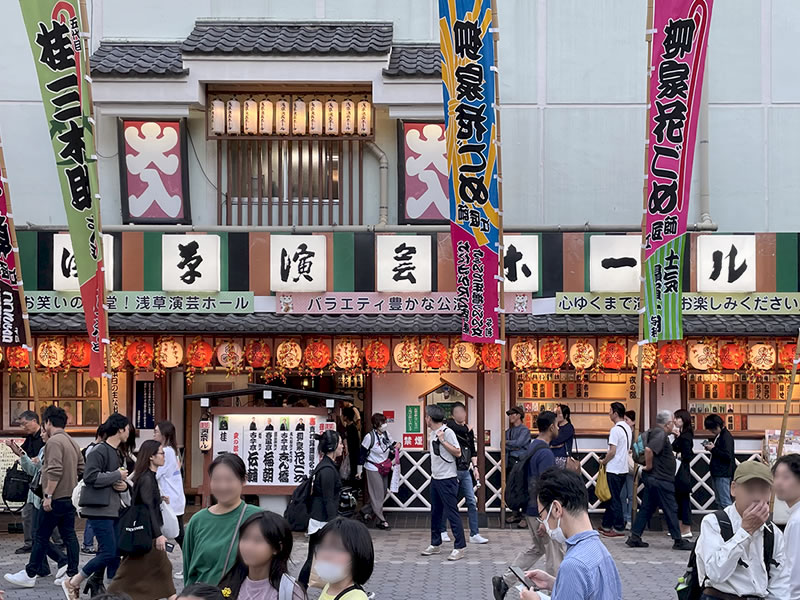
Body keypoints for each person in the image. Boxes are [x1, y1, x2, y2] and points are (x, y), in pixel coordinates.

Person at [4, 407, 83, 589]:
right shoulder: (71, 442)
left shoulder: (54, 442)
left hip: (55, 497)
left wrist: (48, 495)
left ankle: (31, 573)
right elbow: (81, 468)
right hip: (69, 497)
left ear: (47, 422)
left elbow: (53, 470)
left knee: (40, 535)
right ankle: (71, 572)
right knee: (69, 536)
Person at [519, 468, 623, 600]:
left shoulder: (573, 565)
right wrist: (555, 583)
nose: (544, 522)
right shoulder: (600, 550)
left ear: (556, 509)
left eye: (542, 516)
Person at [492, 411, 565, 600]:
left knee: (538, 548)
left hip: (530, 509)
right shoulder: (546, 453)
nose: (558, 428)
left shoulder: (533, 446)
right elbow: (543, 486)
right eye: (557, 425)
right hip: (542, 512)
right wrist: (546, 519)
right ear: (550, 427)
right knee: (554, 553)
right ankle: (554, 593)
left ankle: (505, 581)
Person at [695, 461, 790, 599]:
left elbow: (780, 584)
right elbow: (715, 574)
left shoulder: (773, 532)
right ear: (733, 489)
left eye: (763, 491)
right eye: (750, 490)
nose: (757, 497)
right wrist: (745, 532)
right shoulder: (714, 522)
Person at [65, 414, 131, 598]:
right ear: (120, 429)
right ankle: (74, 581)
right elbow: (90, 477)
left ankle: (113, 589)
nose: (129, 431)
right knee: (109, 552)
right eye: (127, 428)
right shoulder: (100, 450)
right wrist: (117, 475)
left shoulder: (115, 451)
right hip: (98, 509)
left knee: (114, 550)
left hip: (111, 509)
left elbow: (113, 479)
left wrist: (122, 483)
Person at [107, 440, 176, 600]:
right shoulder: (146, 478)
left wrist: (159, 498)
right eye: (161, 453)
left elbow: (148, 503)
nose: (164, 456)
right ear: (151, 457)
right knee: (129, 573)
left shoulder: (148, 476)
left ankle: (170, 596)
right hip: (146, 533)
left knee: (162, 569)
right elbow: (147, 508)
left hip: (146, 533)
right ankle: (109, 595)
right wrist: (158, 535)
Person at [183, 453, 262, 586]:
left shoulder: (258, 518)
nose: (223, 486)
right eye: (217, 480)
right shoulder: (197, 521)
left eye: (229, 480)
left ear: (244, 480)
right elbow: (188, 569)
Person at [4, 429, 68, 585]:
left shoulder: (54, 449)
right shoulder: (42, 449)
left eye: (44, 431)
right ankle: (42, 568)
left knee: (39, 535)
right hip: (35, 497)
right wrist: (21, 455)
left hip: (46, 498)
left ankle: (61, 561)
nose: (41, 435)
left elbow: (49, 473)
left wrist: (37, 465)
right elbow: (33, 472)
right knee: (38, 534)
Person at [625, 410, 693, 551]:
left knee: (646, 509)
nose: (673, 424)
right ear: (667, 423)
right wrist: (649, 467)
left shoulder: (658, 433)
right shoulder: (660, 434)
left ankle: (635, 537)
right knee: (671, 509)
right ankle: (678, 540)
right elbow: (649, 450)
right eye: (672, 422)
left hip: (655, 479)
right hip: (660, 479)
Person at [218, 511, 305, 600]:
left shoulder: (290, 592)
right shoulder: (228, 584)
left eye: (258, 540)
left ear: (277, 548)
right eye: (245, 538)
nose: (248, 547)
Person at [421, 404, 466, 561]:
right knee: (436, 512)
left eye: (426, 416)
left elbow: (458, 451)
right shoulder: (433, 433)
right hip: (436, 477)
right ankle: (435, 543)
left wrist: (442, 441)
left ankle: (459, 546)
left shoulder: (447, 432)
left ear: (431, 418)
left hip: (448, 478)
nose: (425, 419)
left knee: (452, 512)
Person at [439, 402, 488, 544]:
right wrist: (467, 427)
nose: (461, 414)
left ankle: (474, 533)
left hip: (465, 470)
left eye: (463, 412)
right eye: (457, 412)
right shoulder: (448, 428)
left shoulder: (468, 430)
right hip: (451, 470)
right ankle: (442, 530)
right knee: (448, 501)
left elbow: (472, 449)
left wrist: (476, 467)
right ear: (453, 415)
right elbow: (454, 427)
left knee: (472, 501)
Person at [299, 430, 343, 588]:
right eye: (341, 443)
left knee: (315, 559)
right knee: (315, 560)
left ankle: (298, 591)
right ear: (333, 446)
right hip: (322, 522)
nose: (343, 446)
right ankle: (298, 590)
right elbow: (328, 500)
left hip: (321, 520)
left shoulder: (326, 466)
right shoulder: (327, 470)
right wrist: (335, 524)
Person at [315, 518, 373, 600]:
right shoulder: (329, 586)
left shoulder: (355, 598)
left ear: (357, 554)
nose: (326, 555)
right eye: (322, 547)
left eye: (337, 549)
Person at [358, 413, 397, 530]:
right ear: (376, 424)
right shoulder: (369, 437)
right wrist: (359, 470)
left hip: (384, 466)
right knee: (378, 494)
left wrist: (397, 445)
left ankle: (365, 511)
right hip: (372, 467)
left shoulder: (385, 434)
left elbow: (391, 444)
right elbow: (362, 454)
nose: (384, 425)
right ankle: (381, 519)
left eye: (385, 422)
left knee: (383, 492)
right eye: (382, 423)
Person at [598, 402, 630, 537]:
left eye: (610, 410)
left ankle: (618, 527)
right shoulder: (627, 428)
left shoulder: (615, 430)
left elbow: (612, 451)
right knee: (613, 498)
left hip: (614, 468)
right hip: (623, 468)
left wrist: (603, 462)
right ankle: (606, 524)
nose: (609, 413)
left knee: (614, 499)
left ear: (616, 413)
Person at [15, 411, 45, 554]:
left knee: (46, 514)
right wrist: (16, 451)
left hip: (44, 483)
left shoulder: (46, 440)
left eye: (25, 423)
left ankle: (58, 542)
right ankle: (29, 543)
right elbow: (25, 456)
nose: (23, 427)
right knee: (28, 512)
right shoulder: (30, 438)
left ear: (34, 421)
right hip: (32, 481)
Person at [154, 421, 186, 548]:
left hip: (169, 499)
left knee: (176, 534)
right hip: (175, 497)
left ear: (164, 435)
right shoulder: (173, 451)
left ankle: (192, 561)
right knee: (178, 534)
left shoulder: (166, 452)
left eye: (156, 432)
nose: (154, 435)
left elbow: (156, 474)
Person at [773, 453, 800, 599]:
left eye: (786, 477)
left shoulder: (797, 521)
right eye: (776, 476)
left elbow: (795, 572)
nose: (778, 482)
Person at [81, 425, 106, 555]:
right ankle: (88, 544)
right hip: (94, 486)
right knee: (92, 518)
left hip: (95, 486)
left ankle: (89, 544)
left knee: (93, 518)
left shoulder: (93, 448)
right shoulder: (93, 449)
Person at [505, 406, 531, 523]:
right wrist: (512, 444)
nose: (510, 417)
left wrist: (509, 443)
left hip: (521, 461)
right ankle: (515, 513)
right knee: (512, 487)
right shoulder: (508, 431)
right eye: (509, 415)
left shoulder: (524, 430)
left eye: (512, 414)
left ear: (519, 415)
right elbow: (502, 443)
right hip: (511, 461)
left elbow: (520, 443)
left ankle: (525, 515)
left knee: (523, 487)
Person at [704, 414, 735, 509]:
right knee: (720, 500)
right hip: (718, 472)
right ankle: (722, 521)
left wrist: (713, 449)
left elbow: (727, 455)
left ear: (718, 426)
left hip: (723, 473)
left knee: (724, 501)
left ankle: (729, 521)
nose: (711, 431)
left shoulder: (726, 437)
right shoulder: (721, 435)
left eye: (712, 429)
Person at [672, 409, 695, 538]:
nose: (675, 420)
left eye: (677, 418)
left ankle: (685, 528)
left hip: (681, 472)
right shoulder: (683, 435)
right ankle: (681, 528)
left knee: (683, 500)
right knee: (680, 500)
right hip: (680, 471)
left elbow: (687, 455)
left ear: (683, 419)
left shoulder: (686, 436)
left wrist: (675, 454)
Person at [620, 410, 636, 529]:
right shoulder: (621, 431)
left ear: (633, 422)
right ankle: (623, 517)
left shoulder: (636, 434)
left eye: (627, 420)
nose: (625, 422)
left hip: (630, 466)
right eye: (624, 419)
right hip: (621, 465)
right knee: (621, 494)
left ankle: (629, 519)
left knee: (631, 494)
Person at [342, 407, 361, 487]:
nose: (342, 417)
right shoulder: (351, 427)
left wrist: (347, 451)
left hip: (353, 454)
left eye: (343, 415)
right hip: (353, 454)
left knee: (352, 472)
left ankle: (353, 489)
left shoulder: (351, 428)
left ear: (346, 417)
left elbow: (353, 443)